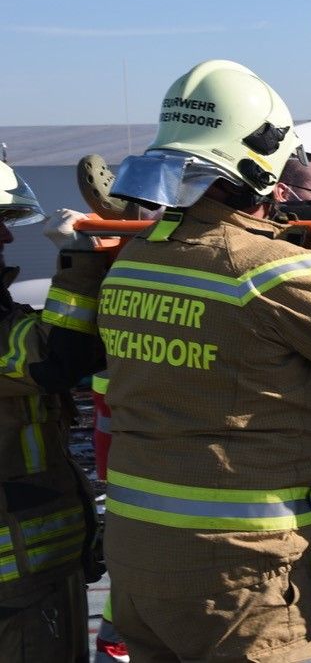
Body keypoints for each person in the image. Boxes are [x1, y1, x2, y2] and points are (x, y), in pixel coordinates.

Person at [97, 59, 311, 661]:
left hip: (137, 555)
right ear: (264, 160)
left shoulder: (137, 256)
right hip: (239, 570)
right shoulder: (269, 270)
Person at [0, 164, 109, 662]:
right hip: (16, 588)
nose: (5, 235)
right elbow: (56, 358)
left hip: (42, 569)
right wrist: (77, 261)